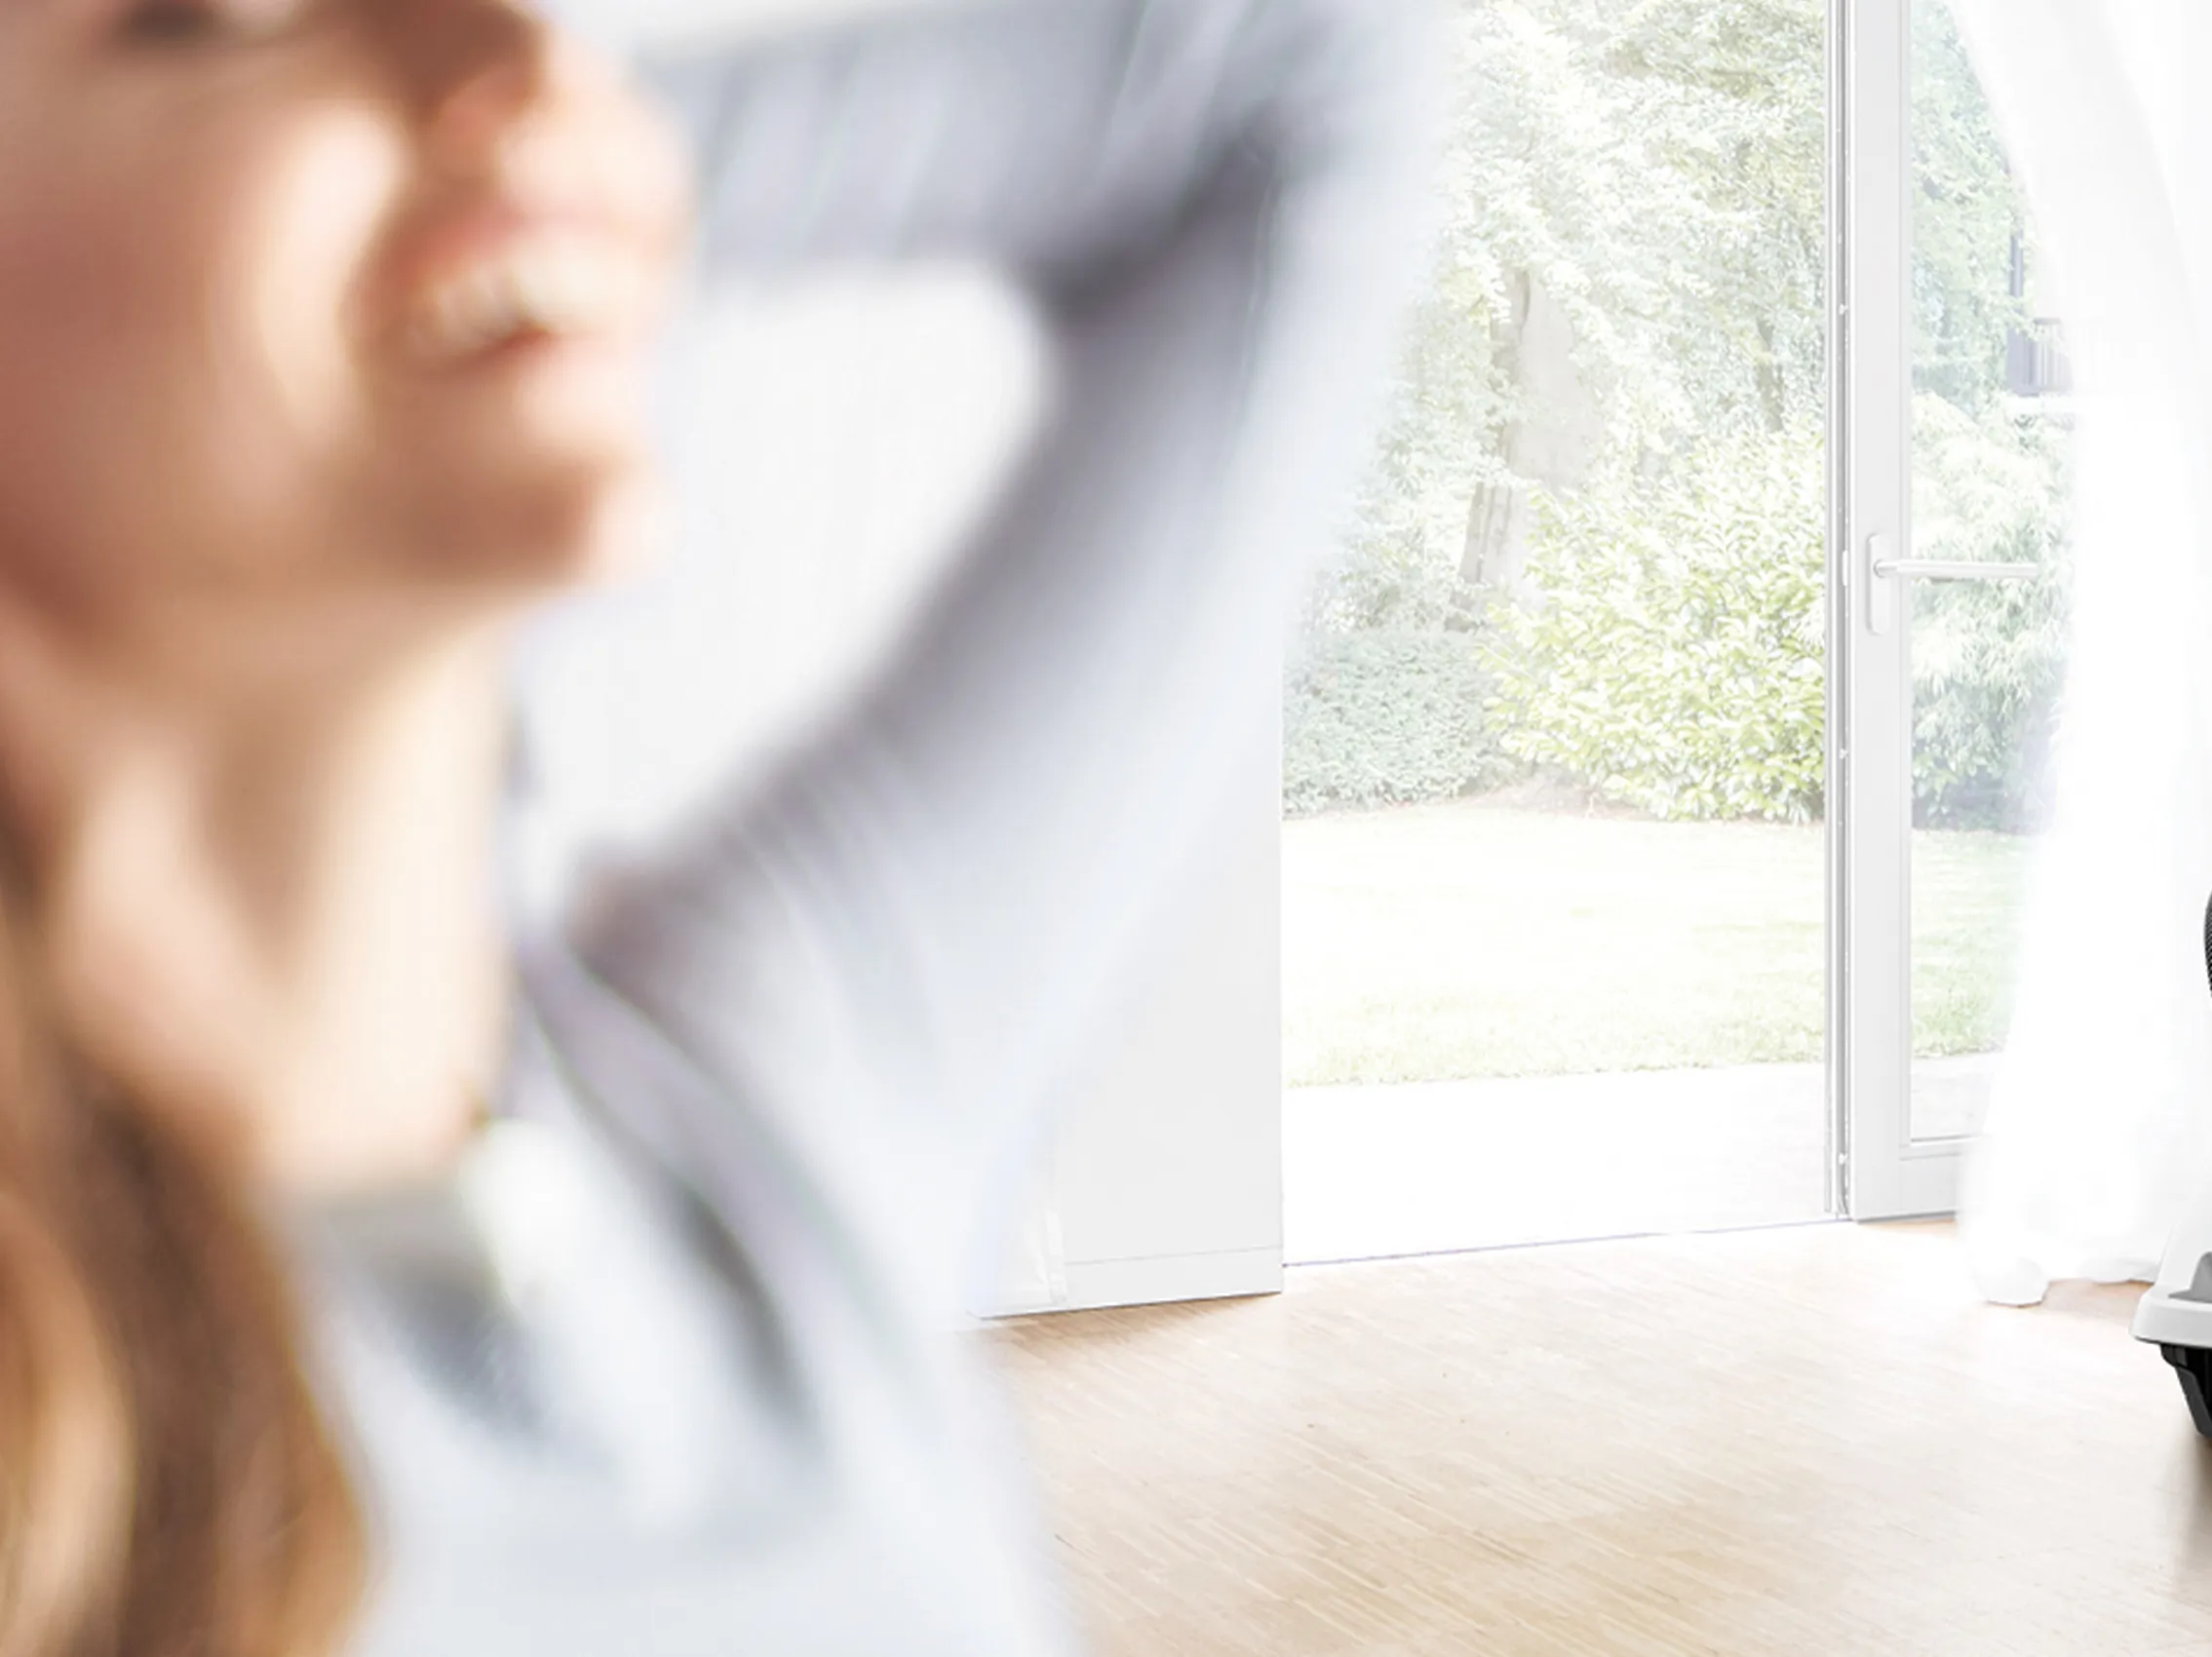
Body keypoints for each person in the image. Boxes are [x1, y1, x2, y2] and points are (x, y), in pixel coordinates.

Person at [0, 1, 1434, 1652]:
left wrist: (555, 225)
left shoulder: (778, 1115)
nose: (532, 61)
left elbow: (1299, 65)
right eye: (233, 13)